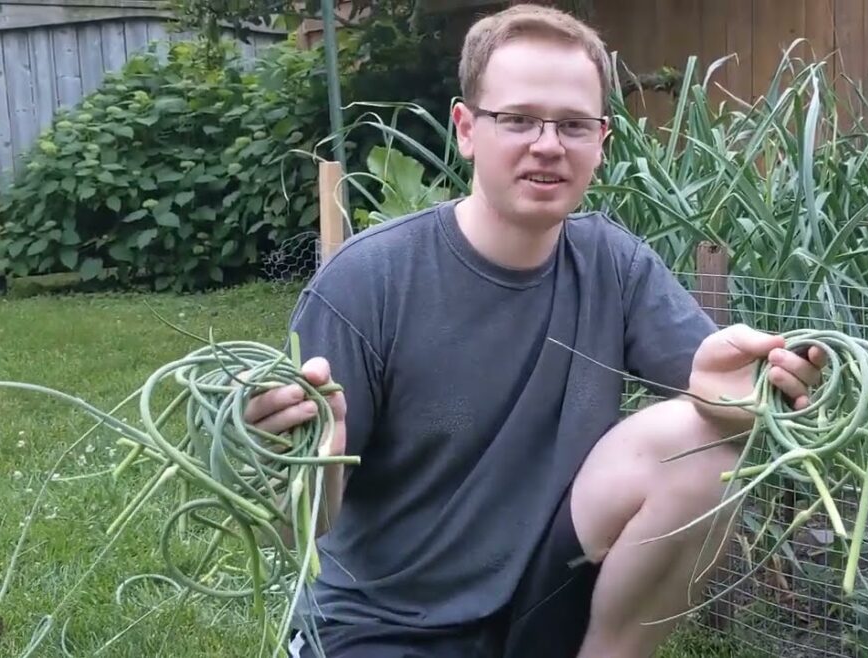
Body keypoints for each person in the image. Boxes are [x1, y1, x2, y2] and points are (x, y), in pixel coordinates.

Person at [245, 4, 826, 657]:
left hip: (538, 603)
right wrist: (301, 462)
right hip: (383, 625)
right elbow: (296, 530)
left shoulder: (613, 264)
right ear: (466, 129)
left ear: (602, 142)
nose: (547, 144)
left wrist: (746, 391)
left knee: (700, 441)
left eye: (574, 125)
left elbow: (731, 409)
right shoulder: (368, 281)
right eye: (517, 118)